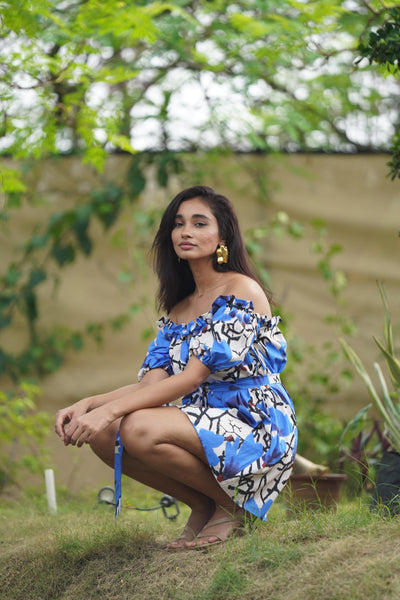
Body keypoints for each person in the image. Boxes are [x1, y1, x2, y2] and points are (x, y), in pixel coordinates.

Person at [55, 185, 298, 550]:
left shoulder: (239, 291)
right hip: (207, 421)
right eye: (179, 223)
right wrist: (89, 405)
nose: (186, 232)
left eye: (200, 223)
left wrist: (107, 412)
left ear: (222, 236)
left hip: (256, 426)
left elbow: (191, 378)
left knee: (135, 425)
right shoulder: (179, 310)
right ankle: (203, 504)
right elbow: (151, 385)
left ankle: (236, 508)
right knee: (106, 435)